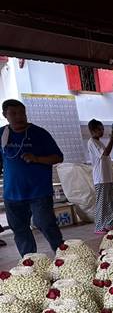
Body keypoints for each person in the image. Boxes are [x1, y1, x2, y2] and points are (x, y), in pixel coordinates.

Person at [0, 99, 64, 256]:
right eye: (14, 113)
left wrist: (36, 159)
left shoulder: (39, 133)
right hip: (13, 193)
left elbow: (58, 157)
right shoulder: (2, 134)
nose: (19, 116)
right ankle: (30, 262)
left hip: (39, 192)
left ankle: (64, 256)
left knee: (46, 224)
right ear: (5, 115)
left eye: (22, 113)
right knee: (20, 229)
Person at [87, 119, 113, 234]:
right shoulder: (92, 142)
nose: (102, 131)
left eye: (102, 129)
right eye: (99, 129)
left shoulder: (100, 142)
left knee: (112, 202)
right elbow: (106, 153)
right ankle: (99, 226)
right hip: (101, 178)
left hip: (109, 177)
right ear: (92, 131)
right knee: (102, 203)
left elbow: (108, 161)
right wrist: (112, 138)